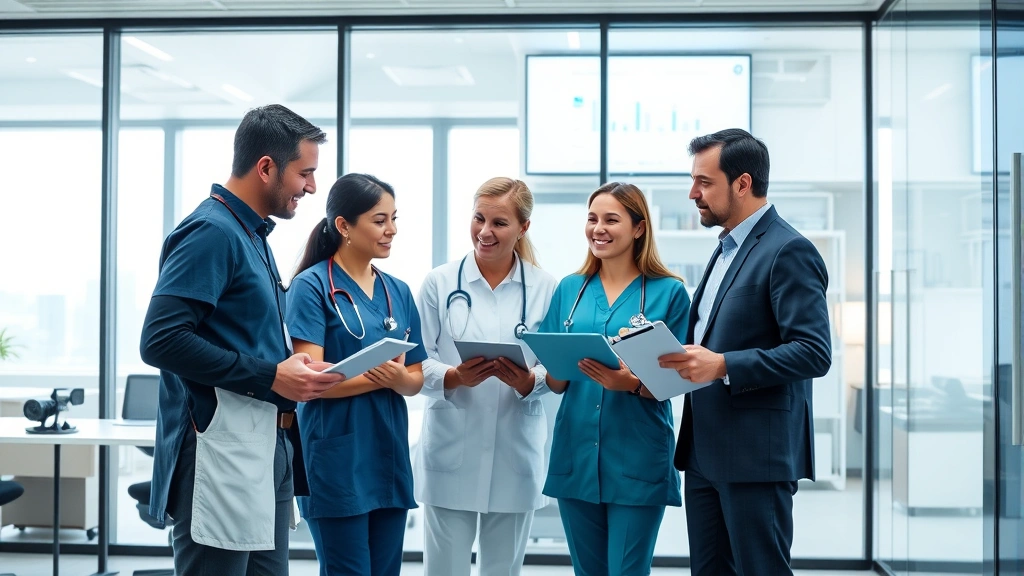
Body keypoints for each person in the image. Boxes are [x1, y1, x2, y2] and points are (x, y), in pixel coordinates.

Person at [140, 104, 343, 576]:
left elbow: (244, 335)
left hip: (263, 448)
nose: (312, 186)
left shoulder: (252, 235)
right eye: (305, 173)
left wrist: (290, 369)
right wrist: (272, 374)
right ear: (266, 167)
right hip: (219, 453)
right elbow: (160, 340)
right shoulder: (211, 233)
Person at [659, 128, 832, 576]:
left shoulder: (788, 250)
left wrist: (722, 365)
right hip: (704, 453)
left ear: (743, 183)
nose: (693, 193)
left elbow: (813, 352)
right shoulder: (724, 250)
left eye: (704, 181)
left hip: (756, 456)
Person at [537, 182, 690, 576]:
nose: (598, 228)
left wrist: (631, 383)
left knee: (626, 571)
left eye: (611, 220)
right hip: (577, 454)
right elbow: (556, 382)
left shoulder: (669, 293)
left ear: (639, 228)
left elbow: (678, 380)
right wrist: (543, 363)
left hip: (636, 455)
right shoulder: (570, 289)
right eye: (592, 219)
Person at [414, 177, 558, 576]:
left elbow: (555, 365)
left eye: (499, 223)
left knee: (502, 572)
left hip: (516, 452)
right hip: (450, 451)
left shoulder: (546, 288)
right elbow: (416, 362)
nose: (485, 231)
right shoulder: (440, 283)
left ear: (523, 228)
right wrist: (454, 376)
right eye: (479, 219)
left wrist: (530, 382)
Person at [285, 172, 426, 576]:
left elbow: (414, 379)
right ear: (344, 225)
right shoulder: (311, 287)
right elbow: (310, 382)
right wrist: (385, 377)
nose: (391, 230)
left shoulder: (397, 290)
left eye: (394, 219)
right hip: (336, 458)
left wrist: (399, 380)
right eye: (380, 220)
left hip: (388, 455)